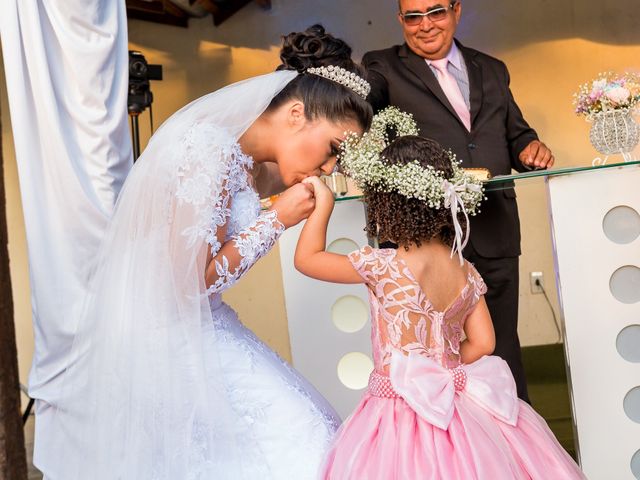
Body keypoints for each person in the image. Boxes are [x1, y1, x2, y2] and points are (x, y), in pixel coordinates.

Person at [41, 25, 372, 480]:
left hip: (201, 323)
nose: (331, 167)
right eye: (334, 149)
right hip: (172, 334)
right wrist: (278, 219)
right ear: (296, 113)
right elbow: (189, 281)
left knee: (304, 434)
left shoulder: (244, 156)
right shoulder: (207, 149)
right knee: (305, 437)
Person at [294, 129, 585, 479]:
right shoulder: (465, 269)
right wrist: (444, 369)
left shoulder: (381, 266)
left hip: (397, 411)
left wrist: (322, 206)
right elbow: (485, 343)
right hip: (463, 406)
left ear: (386, 203)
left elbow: (307, 258)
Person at [362, 0, 556, 402]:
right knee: (431, 355)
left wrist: (530, 146)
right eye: (413, 17)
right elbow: (360, 108)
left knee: (501, 347)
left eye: (435, 12)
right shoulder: (381, 67)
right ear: (401, 21)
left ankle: (517, 452)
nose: (425, 25)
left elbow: (515, 133)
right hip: (424, 239)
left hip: (495, 227)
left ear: (456, 11)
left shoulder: (493, 69)